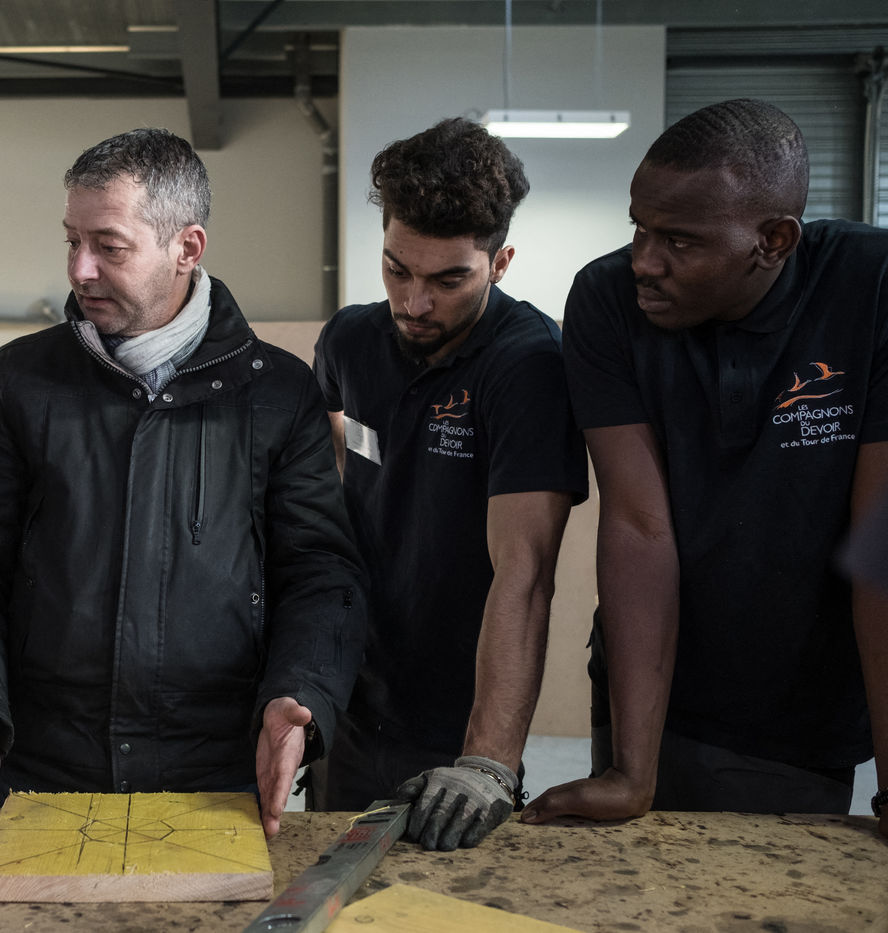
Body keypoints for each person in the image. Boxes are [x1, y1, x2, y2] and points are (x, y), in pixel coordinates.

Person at [0, 128, 367, 839]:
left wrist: (299, 695)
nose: (80, 269)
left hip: (215, 776)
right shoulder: (20, 380)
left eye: (109, 246)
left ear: (187, 248)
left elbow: (321, 573)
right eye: (71, 240)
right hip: (42, 769)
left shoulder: (277, 393)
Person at [523, 99, 888, 834]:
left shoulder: (869, 286)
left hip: (799, 711)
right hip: (648, 688)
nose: (644, 261)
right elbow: (637, 524)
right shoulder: (607, 299)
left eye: (679, 242)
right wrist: (631, 769)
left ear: (773, 240)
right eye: (639, 228)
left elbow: (880, 551)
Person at [309, 119, 587, 849]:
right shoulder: (348, 341)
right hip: (351, 696)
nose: (414, 303)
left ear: (501, 262)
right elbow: (337, 456)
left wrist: (488, 761)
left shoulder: (528, 368)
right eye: (397, 269)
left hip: (454, 722)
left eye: (447, 279)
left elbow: (524, 572)